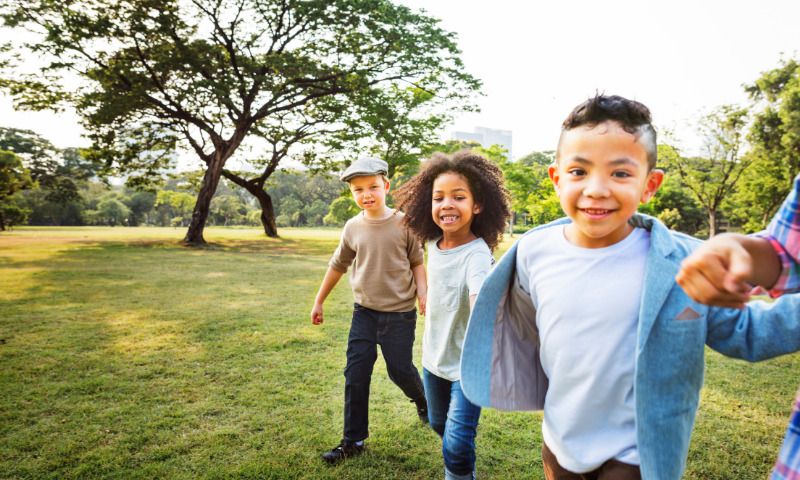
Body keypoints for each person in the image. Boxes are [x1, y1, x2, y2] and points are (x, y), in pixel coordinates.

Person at [458, 94, 800, 480]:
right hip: (560, 442)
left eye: (620, 173)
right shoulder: (532, 253)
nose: (597, 189)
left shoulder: (686, 262)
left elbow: (748, 332)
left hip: (637, 453)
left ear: (649, 184)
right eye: (579, 171)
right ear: (556, 178)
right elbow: (525, 326)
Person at [395, 151, 511, 480]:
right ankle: (457, 457)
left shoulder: (476, 254)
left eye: (459, 197)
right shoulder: (433, 244)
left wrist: (484, 326)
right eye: (439, 197)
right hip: (434, 357)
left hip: (468, 365)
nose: (447, 204)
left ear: (478, 205)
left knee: (457, 446)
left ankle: (459, 470)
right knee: (437, 423)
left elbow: (479, 295)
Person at [676, 174, 800, 479]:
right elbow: (783, 253)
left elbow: (749, 330)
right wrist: (731, 246)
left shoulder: (671, 250)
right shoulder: (540, 249)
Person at [310, 157, 428, 465]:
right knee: (356, 374)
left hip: (399, 314)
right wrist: (319, 300)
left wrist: (423, 295)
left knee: (399, 369)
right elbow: (338, 265)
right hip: (363, 312)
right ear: (351, 193)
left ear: (386, 186)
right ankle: (353, 440)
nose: (367, 194)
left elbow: (417, 262)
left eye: (373, 187)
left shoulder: (405, 224)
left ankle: (423, 400)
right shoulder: (352, 227)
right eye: (358, 189)